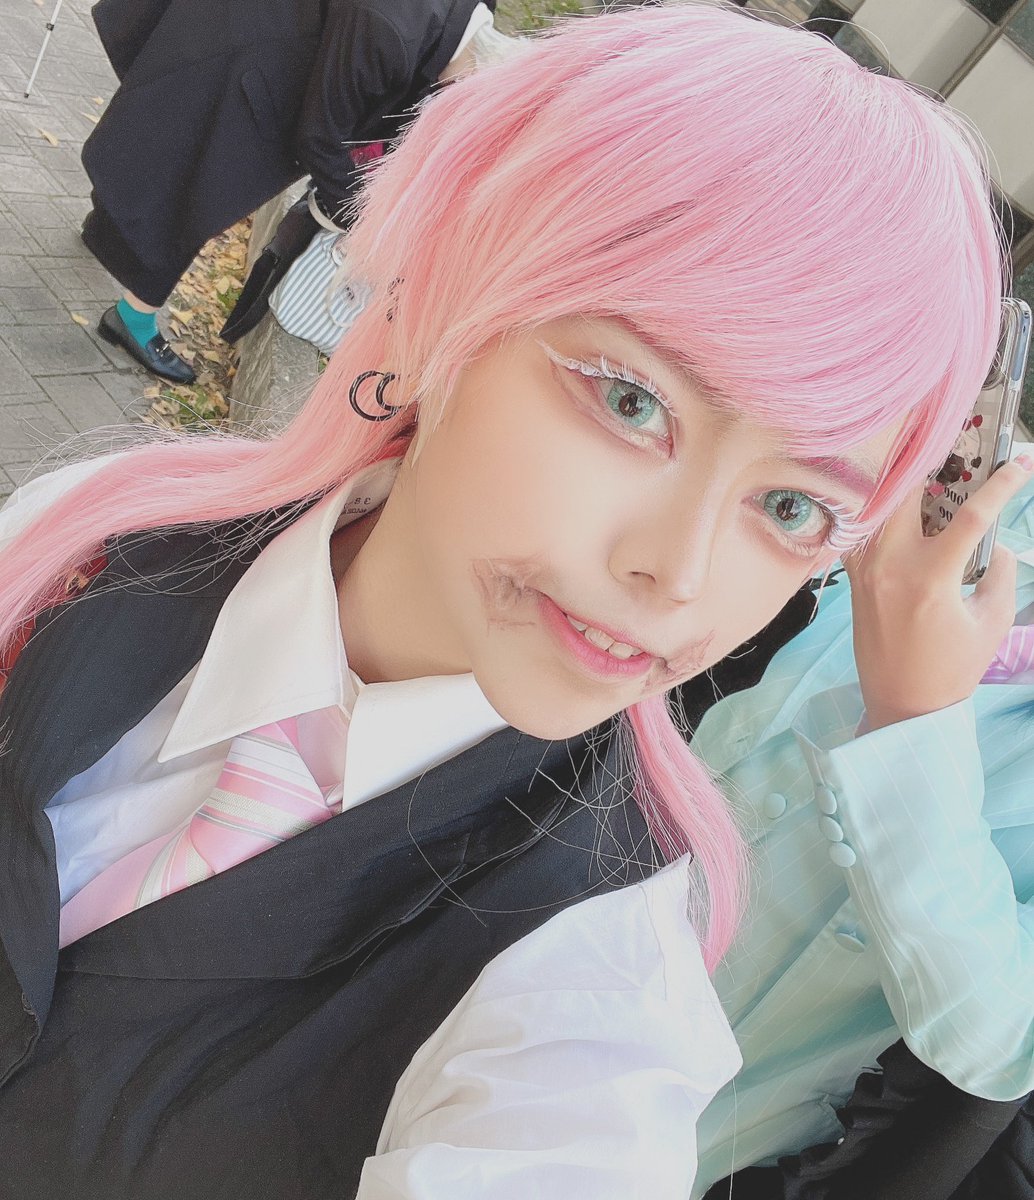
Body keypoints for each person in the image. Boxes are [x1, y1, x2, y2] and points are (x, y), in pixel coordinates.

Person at [0, 6, 1019, 1197]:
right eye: (631, 402)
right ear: (443, 297)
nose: (678, 574)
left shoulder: (590, 992)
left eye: (790, 507)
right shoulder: (93, 536)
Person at [689, 460, 1034, 1197]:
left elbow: (1000, 1037)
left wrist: (912, 722)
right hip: (510, 916)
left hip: (676, 1118)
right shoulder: (983, 491)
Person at [79, 0, 512, 383]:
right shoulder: (389, 28)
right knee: (201, 184)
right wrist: (365, 222)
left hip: (263, 26)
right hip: (247, 39)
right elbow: (320, 139)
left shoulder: (464, 17)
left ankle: (105, 224)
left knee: (170, 140)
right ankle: (132, 318)